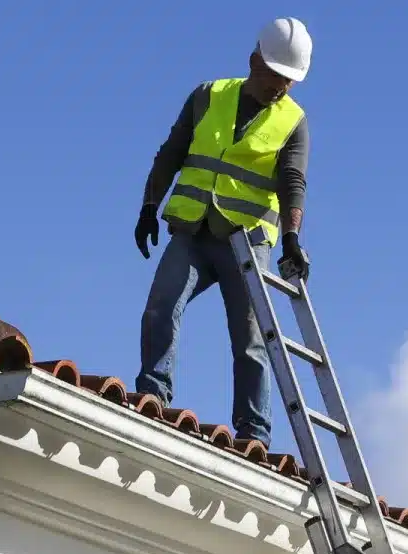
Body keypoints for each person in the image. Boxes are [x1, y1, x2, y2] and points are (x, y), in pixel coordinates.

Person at [133, 16, 314, 449]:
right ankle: (154, 392)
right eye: (277, 77)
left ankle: (254, 431)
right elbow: (172, 152)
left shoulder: (293, 121)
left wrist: (291, 238)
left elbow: (293, 180)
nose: (282, 88)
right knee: (161, 305)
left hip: (246, 242)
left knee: (251, 338)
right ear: (255, 62)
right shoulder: (207, 96)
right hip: (194, 229)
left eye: (291, 80)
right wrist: (148, 207)